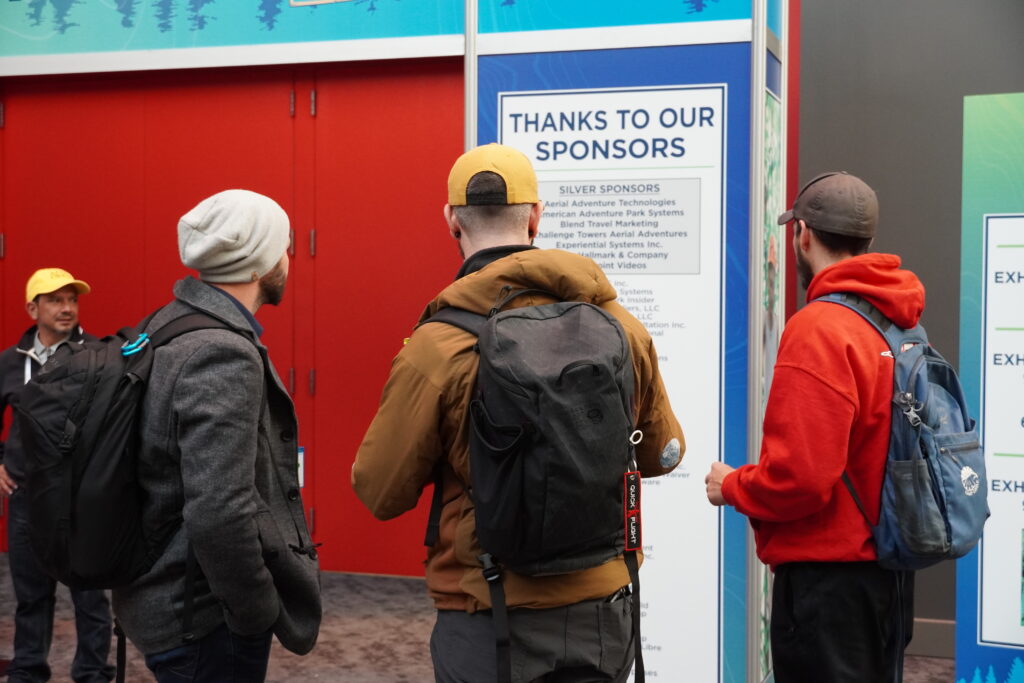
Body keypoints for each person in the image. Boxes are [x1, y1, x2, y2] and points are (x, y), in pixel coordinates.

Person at [352, 143, 685, 682]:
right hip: (603, 618)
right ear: (535, 216)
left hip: (489, 618)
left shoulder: (436, 347)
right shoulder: (621, 328)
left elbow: (380, 492)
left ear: (451, 221)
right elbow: (662, 455)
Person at [704, 172, 921, 682]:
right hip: (889, 571)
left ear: (802, 233)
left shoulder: (819, 328)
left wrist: (730, 485)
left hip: (829, 585)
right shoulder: (897, 320)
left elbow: (800, 477)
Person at [111, 189, 321, 682]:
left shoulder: (165, 324)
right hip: (202, 619)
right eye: (281, 248)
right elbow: (218, 510)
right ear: (255, 267)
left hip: (159, 596)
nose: (288, 260)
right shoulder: (222, 353)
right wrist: (254, 610)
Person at [0, 268, 115, 683]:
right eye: (55, 300)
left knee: (89, 595)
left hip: (81, 496)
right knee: (31, 595)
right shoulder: (10, 362)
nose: (67, 308)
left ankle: (92, 672)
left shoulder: (101, 355)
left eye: (72, 299)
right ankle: (28, 670)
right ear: (33, 308)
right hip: (27, 497)